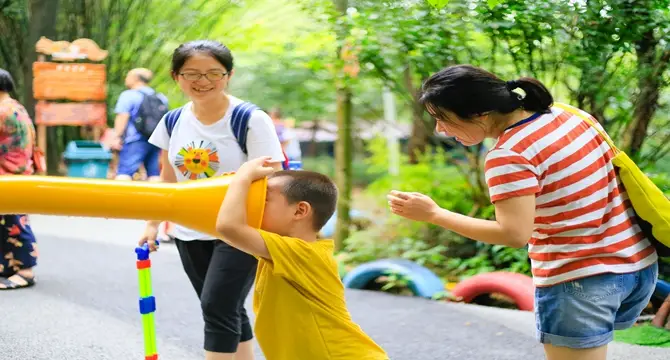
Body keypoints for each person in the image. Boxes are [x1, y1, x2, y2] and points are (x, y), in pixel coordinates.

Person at [386, 64, 658, 360]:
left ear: (480, 113)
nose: (440, 129)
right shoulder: (568, 114)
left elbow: (514, 234)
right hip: (637, 266)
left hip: (580, 280)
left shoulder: (509, 155)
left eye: (443, 119)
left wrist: (434, 214)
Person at [141, 40, 285, 360]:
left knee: (216, 306)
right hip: (188, 229)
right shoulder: (172, 120)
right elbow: (167, 178)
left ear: (228, 75)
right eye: (191, 73)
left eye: (213, 73)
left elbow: (275, 178)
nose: (202, 81)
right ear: (175, 76)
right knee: (227, 306)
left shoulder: (250, 118)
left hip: (239, 228)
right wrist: (152, 223)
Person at [215, 156, 389, 360]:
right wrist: (238, 188)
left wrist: (241, 180)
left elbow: (228, 227)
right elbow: (231, 224)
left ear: (300, 210)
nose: (255, 205)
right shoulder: (281, 250)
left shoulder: (301, 253)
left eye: (263, 200)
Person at [0, 68, 39, 290]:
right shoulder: (15, 107)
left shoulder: (3, 110)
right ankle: (7, 265)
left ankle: (25, 270)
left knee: (15, 223)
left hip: (9, 176)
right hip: (19, 172)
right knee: (7, 222)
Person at [108, 68, 167, 181]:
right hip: (155, 140)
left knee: (125, 172)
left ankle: (121, 197)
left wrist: (117, 137)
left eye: (128, 76)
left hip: (134, 140)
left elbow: (122, 117)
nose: (126, 79)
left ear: (135, 78)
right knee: (154, 174)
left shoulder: (129, 95)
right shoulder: (160, 97)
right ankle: (156, 198)